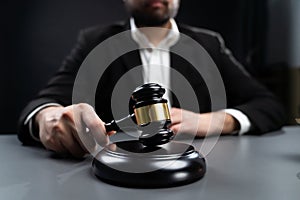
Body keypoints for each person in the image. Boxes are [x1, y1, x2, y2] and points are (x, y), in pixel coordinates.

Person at [18, 0, 286, 158]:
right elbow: (44, 102)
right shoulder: (95, 42)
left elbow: (269, 105)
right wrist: (48, 118)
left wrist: (214, 120)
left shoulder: (208, 44)